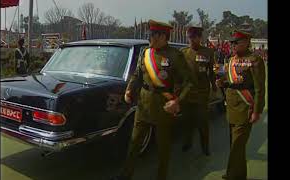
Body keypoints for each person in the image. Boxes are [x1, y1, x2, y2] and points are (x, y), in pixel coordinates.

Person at [110, 19, 197, 180]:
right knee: (134, 142)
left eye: (153, 35)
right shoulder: (146, 53)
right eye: (149, 34)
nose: (149, 38)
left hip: (163, 107)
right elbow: (137, 74)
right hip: (143, 105)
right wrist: (129, 89)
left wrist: (177, 101)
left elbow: (189, 82)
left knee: (163, 147)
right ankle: (125, 175)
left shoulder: (175, 55)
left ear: (163, 36)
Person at [216, 30, 266, 180]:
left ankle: (232, 175)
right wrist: (222, 82)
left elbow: (259, 88)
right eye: (231, 43)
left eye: (235, 42)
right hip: (231, 108)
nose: (232, 45)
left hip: (245, 108)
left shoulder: (254, 60)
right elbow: (229, 80)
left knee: (237, 145)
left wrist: (257, 111)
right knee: (235, 145)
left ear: (245, 42)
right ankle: (238, 174)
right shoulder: (231, 60)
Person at [180, 26, 217, 156]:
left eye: (193, 37)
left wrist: (214, 86)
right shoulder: (183, 52)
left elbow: (211, 72)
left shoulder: (208, 52)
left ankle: (205, 146)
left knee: (202, 122)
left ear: (199, 38)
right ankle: (187, 142)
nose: (190, 40)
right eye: (189, 37)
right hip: (187, 94)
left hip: (202, 93)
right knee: (186, 121)